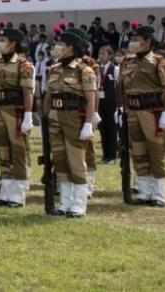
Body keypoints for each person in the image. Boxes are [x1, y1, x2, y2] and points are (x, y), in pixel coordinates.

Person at [45, 29, 99, 217]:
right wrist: (44, 116)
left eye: (62, 44)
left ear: (71, 48)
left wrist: (88, 123)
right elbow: (49, 95)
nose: (57, 47)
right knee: (60, 160)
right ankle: (65, 201)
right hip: (56, 117)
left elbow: (91, 99)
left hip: (74, 118)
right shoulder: (54, 69)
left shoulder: (84, 70)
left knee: (76, 160)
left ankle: (78, 203)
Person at [119, 25, 165, 206]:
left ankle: (159, 194)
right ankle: (144, 192)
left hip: (153, 111)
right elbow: (121, 87)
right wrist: (121, 108)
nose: (133, 43)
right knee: (138, 151)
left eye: (137, 39)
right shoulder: (127, 62)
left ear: (148, 41)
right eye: (132, 39)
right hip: (133, 111)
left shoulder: (160, 62)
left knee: (156, 151)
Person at [0, 28, 36, 207]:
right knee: (3, 150)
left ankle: (18, 193)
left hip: (16, 110)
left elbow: (28, 91)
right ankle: (6, 190)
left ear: (13, 43)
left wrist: (28, 115)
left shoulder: (24, 65)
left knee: (18, 151)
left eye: (3, 39)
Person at [97, 46, 119, 164]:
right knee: (103, 130)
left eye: (103, 54)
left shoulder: (115, 69)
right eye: (100, 54)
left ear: (110, 56)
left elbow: (118, 88)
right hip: (100, 104)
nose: (101, 56)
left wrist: (118, 106)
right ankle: (105, 155)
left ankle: (112, 156)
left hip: (111, 104)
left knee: (112, 130)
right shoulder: (97, 69)